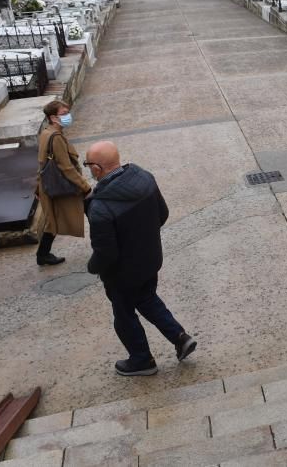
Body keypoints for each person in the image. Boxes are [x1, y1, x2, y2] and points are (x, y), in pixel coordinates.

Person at [84, 141, 196, 376]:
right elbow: (162, 214)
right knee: (146, 299)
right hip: (150, 260)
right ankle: (179, 337)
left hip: (121, 274)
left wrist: (92, 267)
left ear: (96, 169)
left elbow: (106, 253)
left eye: (87, 165)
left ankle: (141, 360)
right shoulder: (144, 178)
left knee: (124, 316)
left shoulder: (101, 207)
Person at [36, 100, 91, 266]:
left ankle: (43, 254)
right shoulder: (56, 137)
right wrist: (85, 186)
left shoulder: (46, 133)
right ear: (53, 117)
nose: (68, 116)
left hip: (48, 183)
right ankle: (104, 245)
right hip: (61, 185)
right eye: (63, 114)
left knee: (52, 219)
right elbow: (66, 167)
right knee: (92, 207)